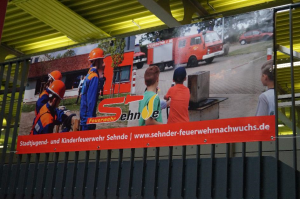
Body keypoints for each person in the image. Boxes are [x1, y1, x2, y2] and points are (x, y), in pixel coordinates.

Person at [80, 48, 105, 130]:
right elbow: (91, 102)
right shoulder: (94, 77)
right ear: (97, 61)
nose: (103, 63)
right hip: (88, 119)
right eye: (102, 60)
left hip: (84, 116)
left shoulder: (89, 74)